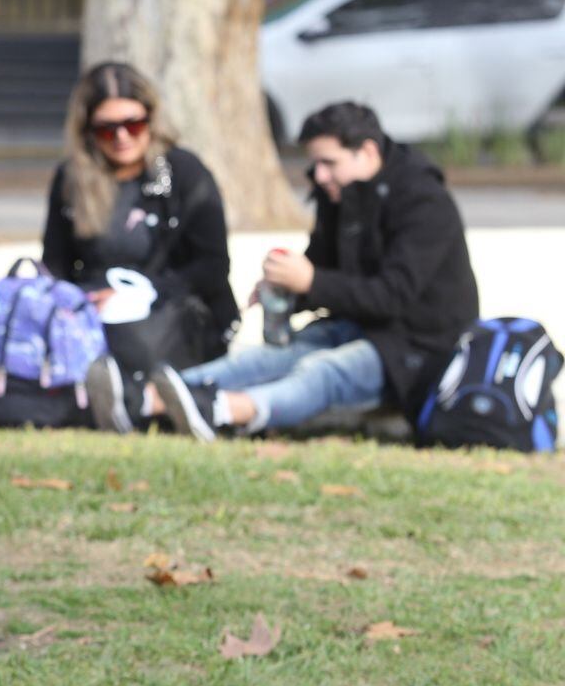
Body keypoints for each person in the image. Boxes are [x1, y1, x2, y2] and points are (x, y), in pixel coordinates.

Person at [149, 101, 479, 440]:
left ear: (367, 152)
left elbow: (392, 295)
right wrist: (287, 286)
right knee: (275, 356)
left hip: (419, 348)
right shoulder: (339, 194)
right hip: (359, 326)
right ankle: (149, 400)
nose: (319, 175)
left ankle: (219, 412)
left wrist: (310, 281)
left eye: (329, 163)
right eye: (315, 163)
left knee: (320, 371)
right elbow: (323, 265)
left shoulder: (424, 202)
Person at [38, 62, 237, 433]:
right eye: (106, 129)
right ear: (87, 132)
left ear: (152, 120)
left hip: (171, 308)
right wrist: (81, 301)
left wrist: (142, 293)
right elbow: (56, 264)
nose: (122, 137)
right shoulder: (71, 180)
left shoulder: (183, 173)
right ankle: (115, 398)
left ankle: (134, 400)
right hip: (93, 314)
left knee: (133, 334)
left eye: (134, 124)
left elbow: (211, 267)